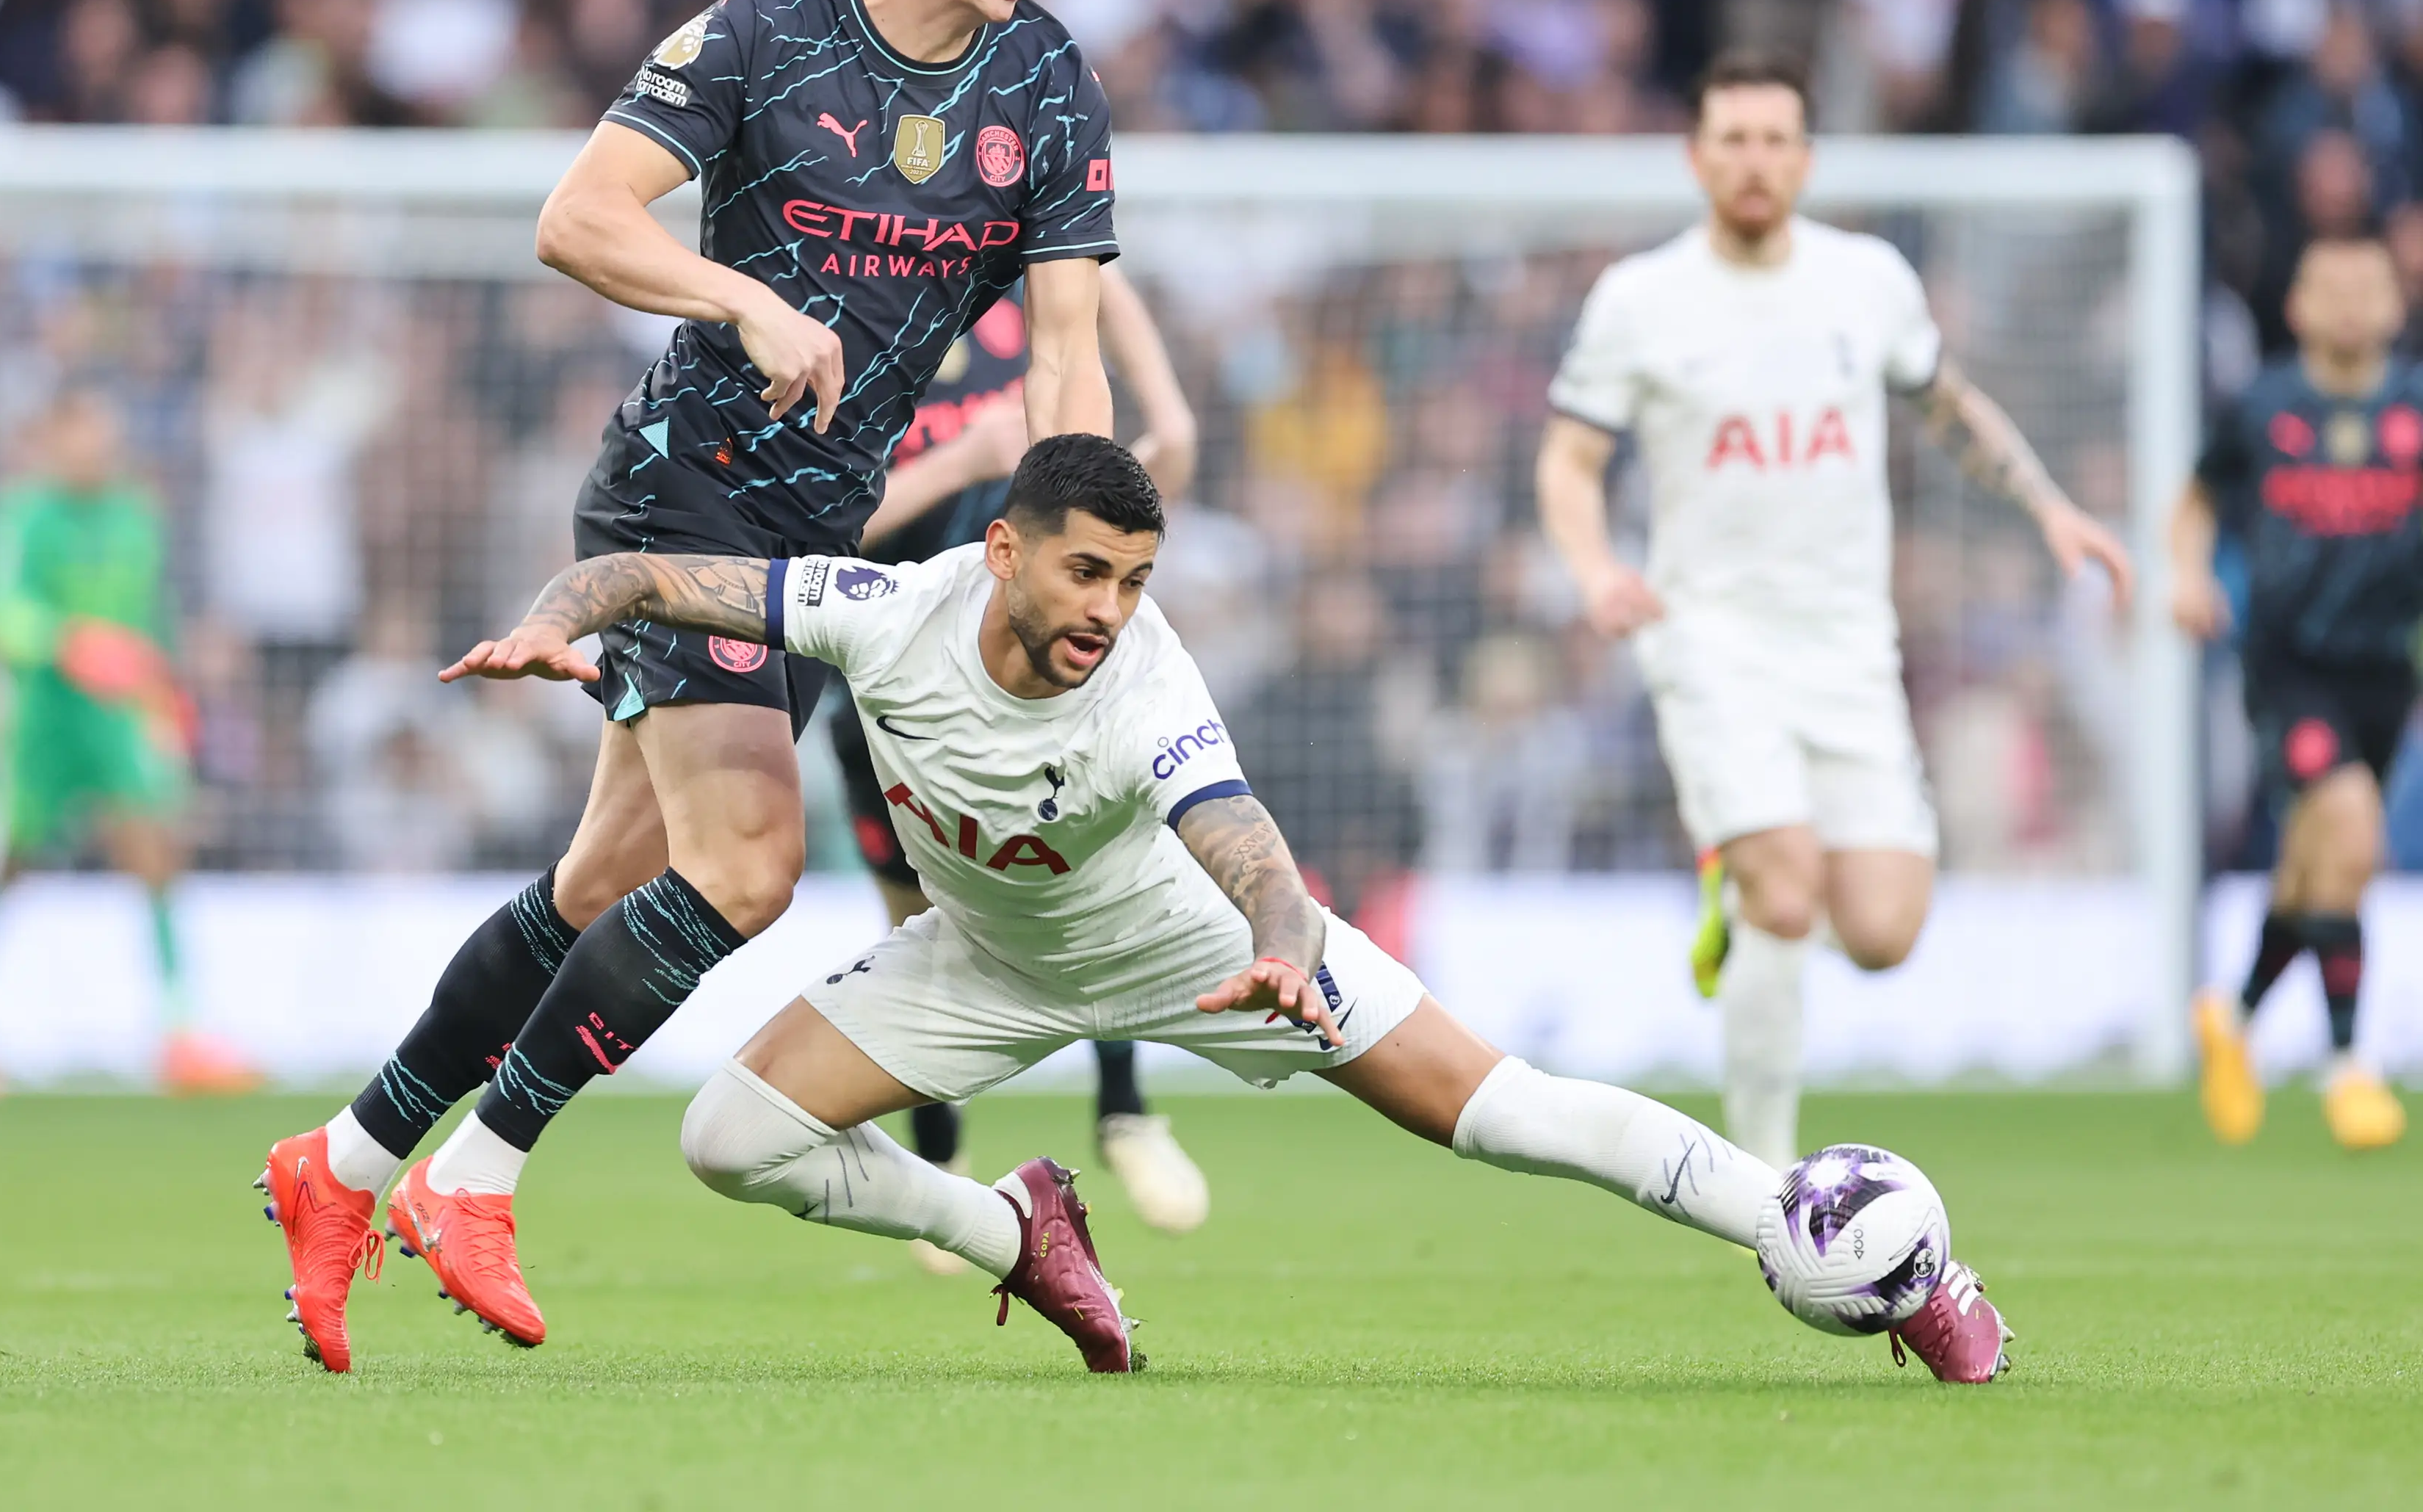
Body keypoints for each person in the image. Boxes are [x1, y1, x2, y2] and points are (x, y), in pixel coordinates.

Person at [437, 436, 2014, 1383]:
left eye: (1132, 577)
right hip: (984, 959)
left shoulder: (1148, 682)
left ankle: (1852, 1244)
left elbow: (1249, 843)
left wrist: (1283, 948)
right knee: (727, 1139)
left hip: (1202, 953)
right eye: (1084, 574)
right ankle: (1016, 1228)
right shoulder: (880, 611)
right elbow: (647, 573)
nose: (1106, 610)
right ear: (1001, 553)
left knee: (1507, 1115)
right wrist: (544, 618)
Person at [257, 0, 1118, 1372]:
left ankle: (347, 1162)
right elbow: (574, 218)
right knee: (746, 870)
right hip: (682, 498)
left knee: (603, 887)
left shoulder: (1047, 80)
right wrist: (745, 303)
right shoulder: (766, 32)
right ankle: (477, 1171)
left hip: (820, 547)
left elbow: (1067, 352)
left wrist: (1087, 562)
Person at [1534, 51, 2132, 1173]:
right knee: (1789, 890)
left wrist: (2051, 509)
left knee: (1882, 930)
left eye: (1774, 141)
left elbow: (1948, 406)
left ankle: (1734, 881)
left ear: (1805, 160)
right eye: (1733, 140)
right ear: (1696, 156)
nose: (1754, 163)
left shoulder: (1868, 280)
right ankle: (1764, 1182)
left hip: (1851, 644)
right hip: (1704, 632)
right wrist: (1594, 569)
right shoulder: (1641, 298)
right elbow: (1568, 460)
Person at [832, 270, 1208, 1259]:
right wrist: (961, 463)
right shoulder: (854, 343)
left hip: (1032, 684)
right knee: (913, 922)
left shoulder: (1023, 303)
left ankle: (1127, 1112)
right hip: (894, 685)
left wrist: (1171, 415)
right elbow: (827, 548)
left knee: (1080, 877)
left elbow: (1107, 289)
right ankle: (940, 1158)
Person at [0, 388, 258, 1100]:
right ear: (53, 437)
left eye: (103, 432)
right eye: (79, 432)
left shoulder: (137, 516)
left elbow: (152, 616)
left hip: (116, 720)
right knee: (8, 862)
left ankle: (180, 1035)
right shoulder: (20, 513)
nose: (93, 447)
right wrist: (67, 644)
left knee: (155, 858)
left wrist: (167, 698)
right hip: (42, 719)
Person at [2175, 236, 2415, 1152]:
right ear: (2300, 304)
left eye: (2370, 287)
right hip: (2289, 661)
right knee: (2353, 834)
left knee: (2316, 868)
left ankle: (2231, 1017)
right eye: (2332, 287)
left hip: (2386, 665)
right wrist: (2190, 575)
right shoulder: (2263, 404)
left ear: (2396, 305)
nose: (2353, 304)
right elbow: (2194, 500)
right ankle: (2352, 1067)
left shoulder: (2415, 405)